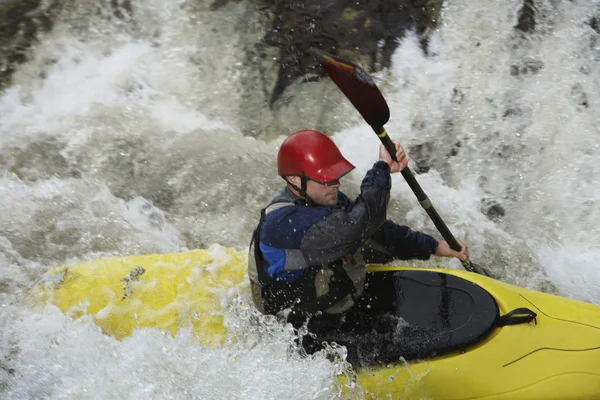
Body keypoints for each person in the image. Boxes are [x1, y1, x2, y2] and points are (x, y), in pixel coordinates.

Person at [248, 129, 469, 336]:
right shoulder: (281, 224)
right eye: (326, 178)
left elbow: (378, 231)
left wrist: (434, 247)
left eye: (336, 175)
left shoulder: (323, 197)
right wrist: (381, 168)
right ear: (294, 180)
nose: (336, 183)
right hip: (300, 327)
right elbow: (357, 225)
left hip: (335, 299)